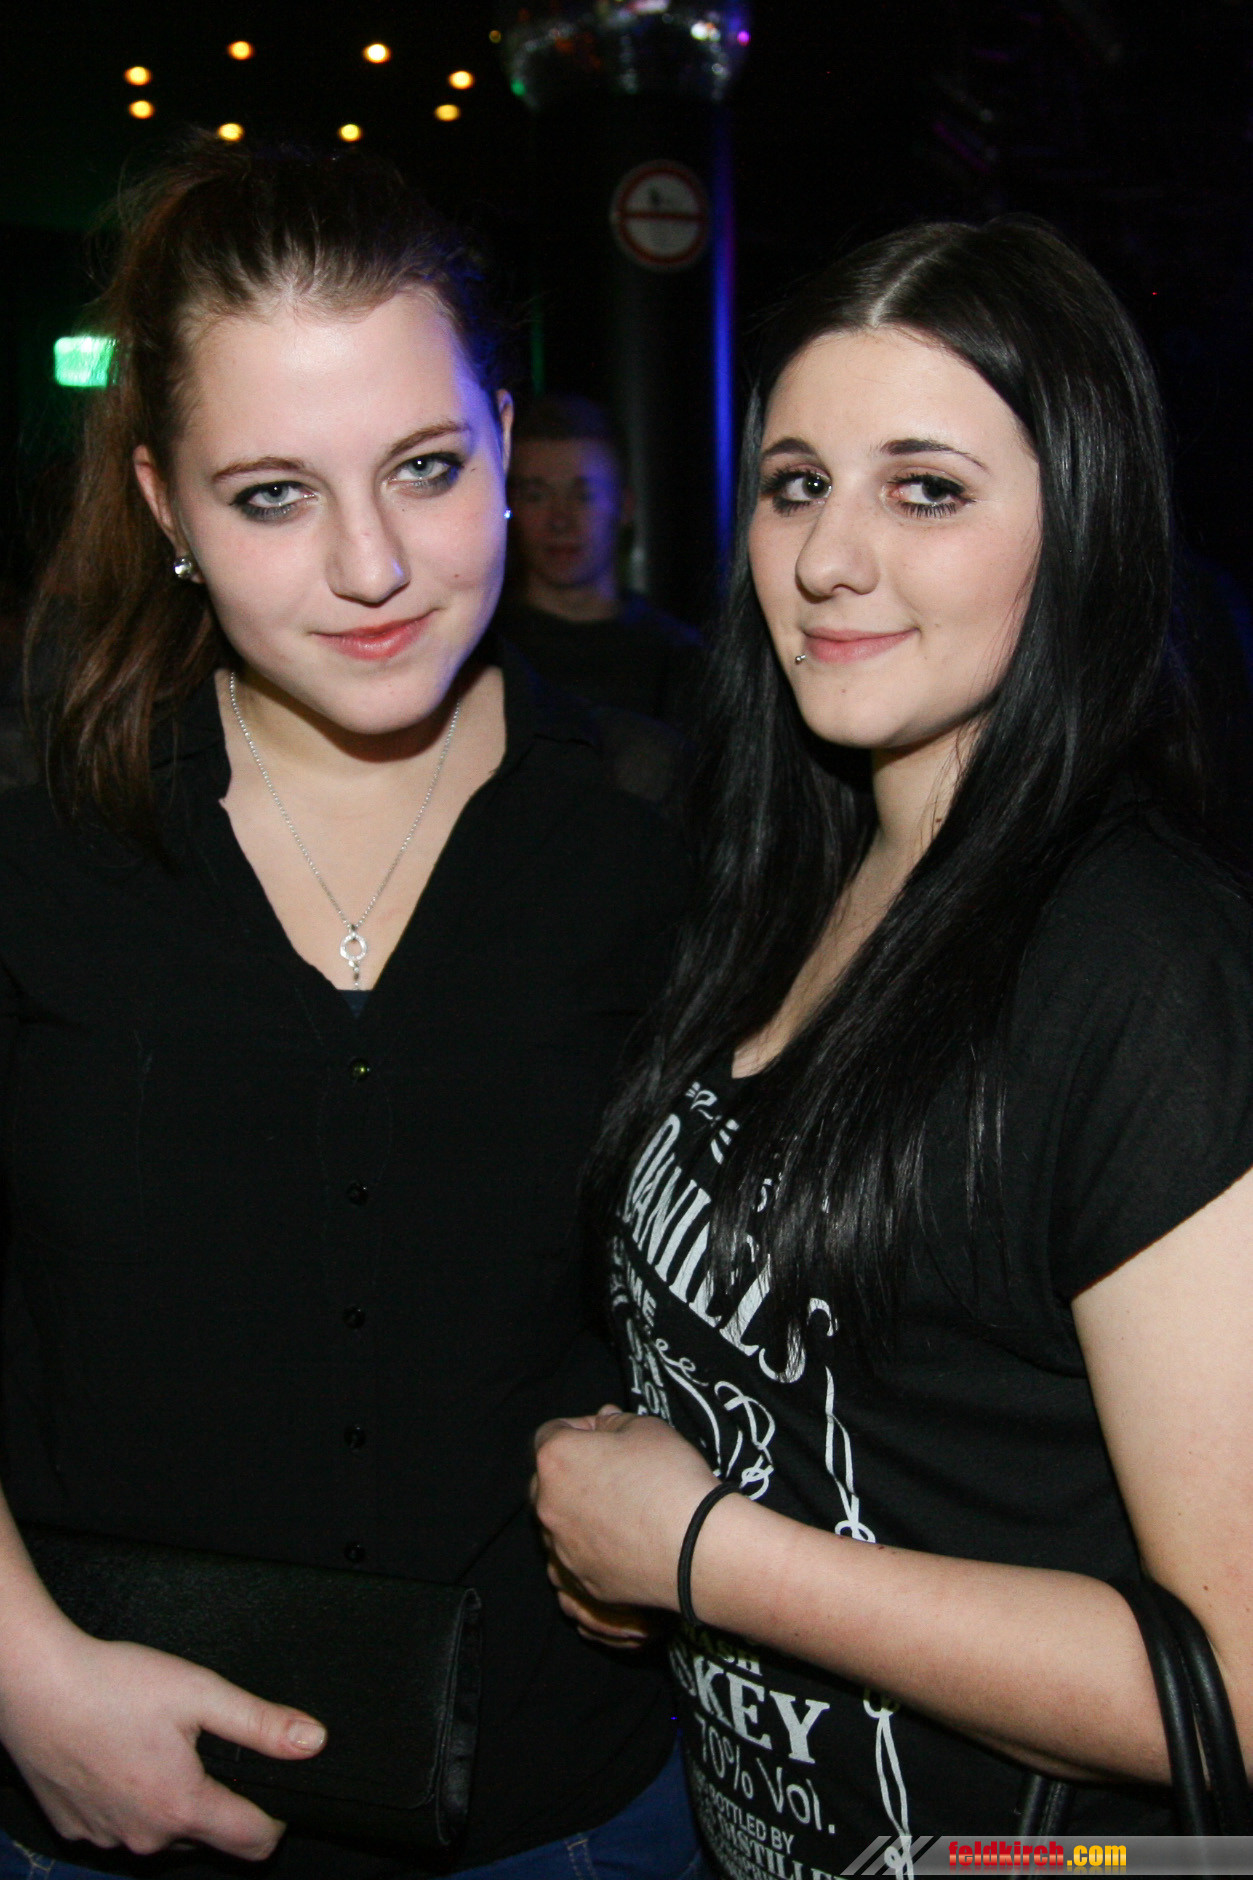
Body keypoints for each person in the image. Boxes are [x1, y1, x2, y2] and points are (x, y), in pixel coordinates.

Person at [0, 139, 700, 1880]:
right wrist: (23, 1678)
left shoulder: (664, 829)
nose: (373, 564)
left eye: (424, 467)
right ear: (165, 508)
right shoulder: (41, 835)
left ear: (503, 442)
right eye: (272, 496)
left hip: (571, 1813)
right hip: (104, 1798)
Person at [531, 218, 1253, 1874]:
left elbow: (1229, 1688)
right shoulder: (802, 867)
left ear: (1080, 525)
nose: (827, 559)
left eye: (924, 489)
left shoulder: (1142, 972)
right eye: (795, 485)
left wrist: (704, 1556)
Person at [496, 397, 703, 728]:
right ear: (510, 506)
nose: (560, 520)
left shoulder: (683, 660)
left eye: (584, 495)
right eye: (537, 496)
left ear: (625, 507)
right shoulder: (481, 654)